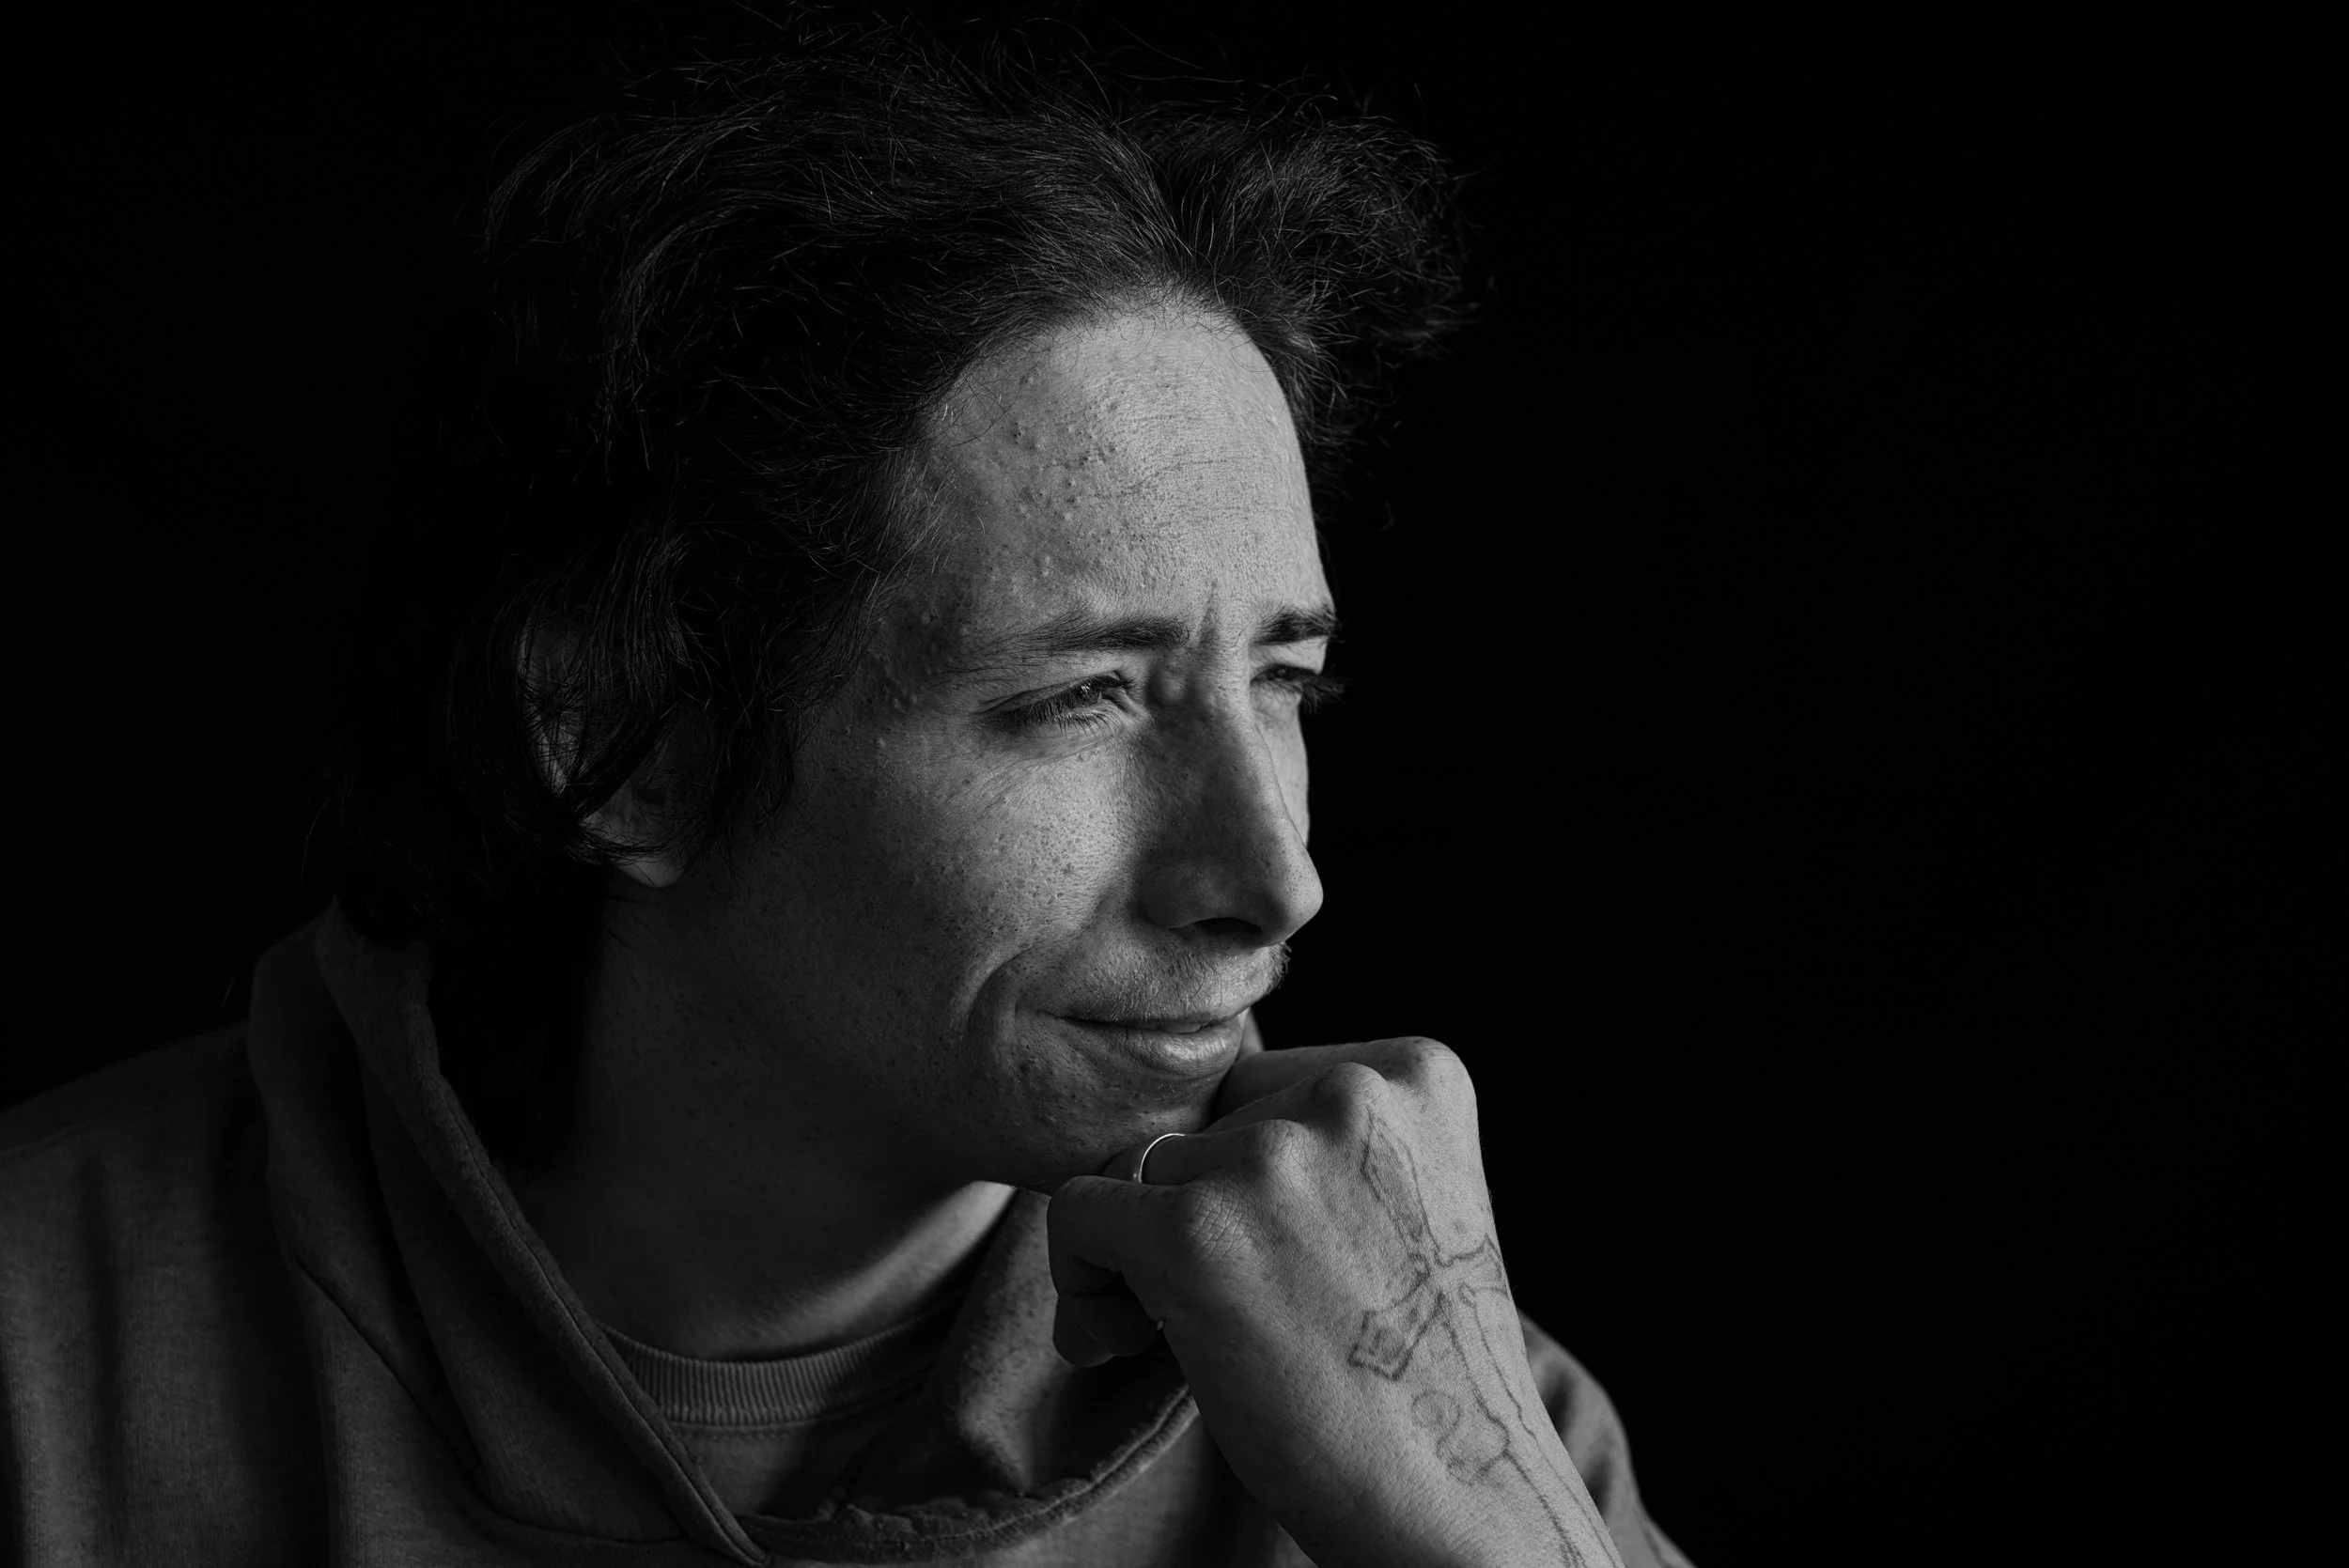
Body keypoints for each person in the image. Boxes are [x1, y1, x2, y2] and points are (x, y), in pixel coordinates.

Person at [1, 32, 1690, 1568]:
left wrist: (1490, 1523)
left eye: (1285, 681)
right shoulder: (38, 1344)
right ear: (634, 748)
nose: (1273, 876)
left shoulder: (1459, 1419)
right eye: (1077, 698)